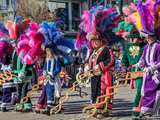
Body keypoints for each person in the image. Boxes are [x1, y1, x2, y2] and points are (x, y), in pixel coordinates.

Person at [85, 32, 115, 117]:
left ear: (101, 41)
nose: (95, 42)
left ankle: (103, 110)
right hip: (94, 75)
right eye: (93, 41)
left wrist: (100, 65)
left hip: (104, 75)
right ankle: (96, 107)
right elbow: (90, 62)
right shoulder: (94, 51)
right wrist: (87, 66)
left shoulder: (106, 49)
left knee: (103, 92)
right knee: (94, 91)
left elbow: (111, 60)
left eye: (97, 40)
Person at [133, 32, 160, 118]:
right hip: (148, 75)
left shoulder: (159, 46)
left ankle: (149, 111)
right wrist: (138, 64)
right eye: (148, 36)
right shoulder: (145, 47)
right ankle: (147, 111)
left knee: (154, 92)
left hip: (157, 74)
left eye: (151, 36)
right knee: (146, 92)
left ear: (155, 37)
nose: (149, 38)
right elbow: (143, 59)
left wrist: (151, 68)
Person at [122, 30, 145, 119]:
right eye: (132, 38)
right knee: (140, 91)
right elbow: (124, 60)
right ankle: (136, 113)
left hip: (146, 71)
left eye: (134, 38)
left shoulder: (145, 47)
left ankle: (142, 111)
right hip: (136, 72)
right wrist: (125, 68)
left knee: (144, 92)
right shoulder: (127, 48)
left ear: (139, 39)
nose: (133, 39)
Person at [35, 45, 61, 115]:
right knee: (47, 91)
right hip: (46, 78)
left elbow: (58, 69)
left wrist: (52, 74)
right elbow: (44, 68)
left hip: (53, 78)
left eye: (48, 51)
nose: (47, 52)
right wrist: (44, 73)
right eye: (46, 51)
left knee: (53, 91)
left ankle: (50, 107)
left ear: (52, 51)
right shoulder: (47, 59)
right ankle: (49, 106)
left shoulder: (56, 58)